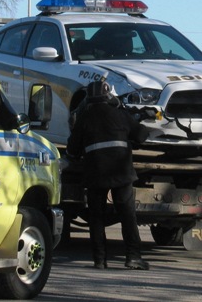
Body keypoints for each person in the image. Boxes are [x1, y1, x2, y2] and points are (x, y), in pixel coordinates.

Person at [66, 81, 150, 270]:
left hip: (96, 173)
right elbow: (142, 136)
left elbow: (72, 151)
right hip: (121, 172)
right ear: (109, 96)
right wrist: (141, 119)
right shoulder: (120, 114)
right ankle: (133, 258)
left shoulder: (84, 118)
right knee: (127, 215)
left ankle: (100, 260)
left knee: (96, 218)